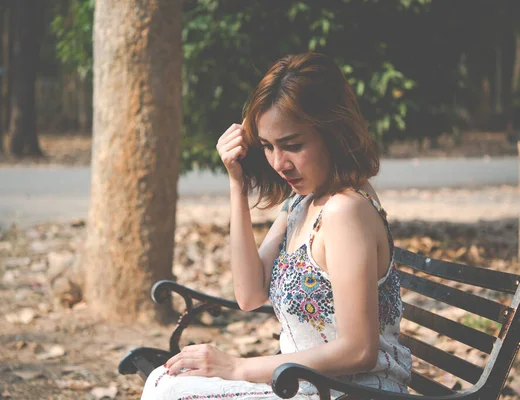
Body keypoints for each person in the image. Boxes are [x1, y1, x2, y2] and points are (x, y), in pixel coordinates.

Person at [141, 52, 412, 399]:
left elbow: (359, 350)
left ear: (334, 133)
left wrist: (237, 366)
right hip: (309, 387)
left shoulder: (345, 211)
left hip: (351, 392)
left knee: (171, 393)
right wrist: (236, 184)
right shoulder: (304, 202)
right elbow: (249, 294)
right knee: (163, 382)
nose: (279, 163)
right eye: (268, 147)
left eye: (292, 145)